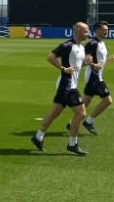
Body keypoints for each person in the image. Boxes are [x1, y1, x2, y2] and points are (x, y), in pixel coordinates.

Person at [31, 22, 92, 156]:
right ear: (77, 31)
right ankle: (72, 144)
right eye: (86, 31)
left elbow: (76, 65)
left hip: (69, 84)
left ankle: (38, 137)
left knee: (54, 113)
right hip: (67, 85)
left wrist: (88, 64)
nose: (88, 33)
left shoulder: (81, 47)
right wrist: (63, 68)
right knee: (81, 113)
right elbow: (50, 57)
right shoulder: (67, 45)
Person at [81, 21, 114, 135]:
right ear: (97, 30)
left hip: (96, 76)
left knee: (85, 102)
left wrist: (107, 59)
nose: (106, 31)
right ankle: (89, 121)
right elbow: (84, 60)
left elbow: (99, 59)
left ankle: (72, 123)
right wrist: (93, 65)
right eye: (104, 30)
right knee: (107, 101)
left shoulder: (102, 43)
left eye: (107, 29)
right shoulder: (92, 44)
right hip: (94, 77)